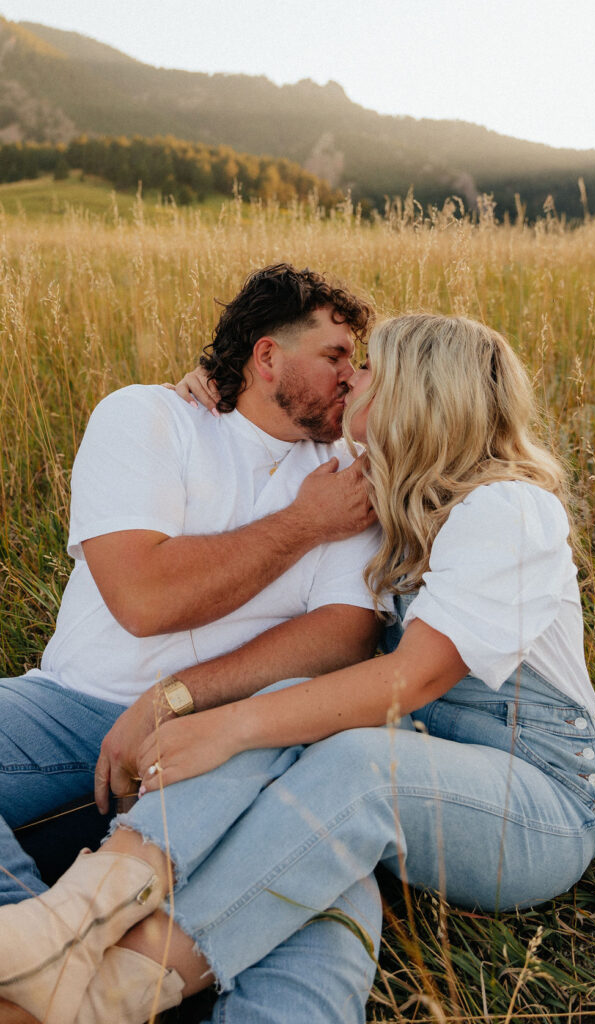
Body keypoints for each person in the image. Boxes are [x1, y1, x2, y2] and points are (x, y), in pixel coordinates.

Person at [0, 313, 595, 1024]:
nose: (353, 379)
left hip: (532, 801)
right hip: (414, 771)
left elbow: (409, 679)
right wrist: (217, 392)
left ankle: (107, 988)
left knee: (350, 760)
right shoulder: (390, 499)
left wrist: (227, 727)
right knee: (309, 731)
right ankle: (67, 925)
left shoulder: (510, 508)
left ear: (418, 395)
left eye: (370, 369)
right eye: (346, 362)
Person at [0, 264, 391, 1023]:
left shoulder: (352, 474)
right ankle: (46, 964)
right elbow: (144, 599)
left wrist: (184, 701)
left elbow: (345, 634)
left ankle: (57, 972)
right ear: (267, 357)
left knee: (326, 891)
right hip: (76, 705)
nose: (355, 374)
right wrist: (303, 525)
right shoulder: (149, 417)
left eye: (359, 358)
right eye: (336, 355)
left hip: (238, 739)